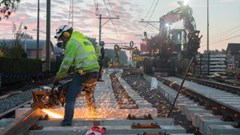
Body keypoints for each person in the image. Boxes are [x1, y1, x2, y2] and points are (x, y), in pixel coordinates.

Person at [53, 25, 100, 126]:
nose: (62, 40)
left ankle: (66, 122)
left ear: (66, 34)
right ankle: (94, 115)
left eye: (62, 38)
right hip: (95, 72)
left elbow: (66, 64)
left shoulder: (72, 43)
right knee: (89, 94)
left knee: (70, 97)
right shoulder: (84, 40)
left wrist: (58, 77)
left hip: (84, 73)